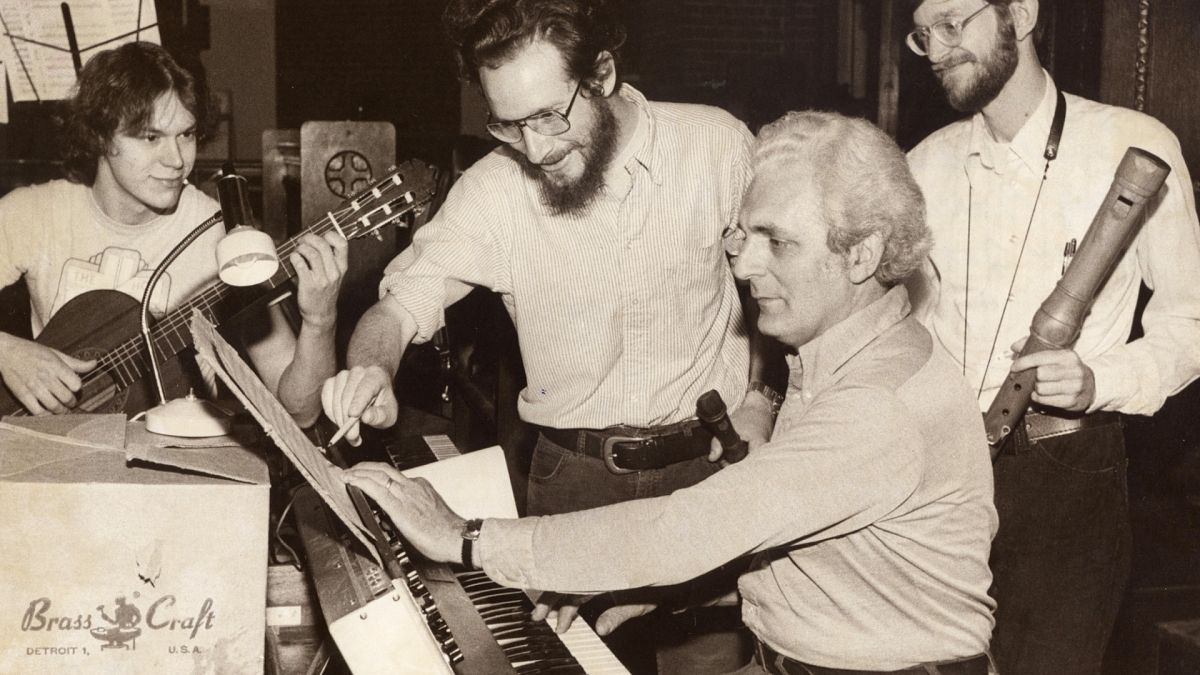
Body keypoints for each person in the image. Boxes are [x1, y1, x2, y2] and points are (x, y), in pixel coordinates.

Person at [342, 111, 998, 675]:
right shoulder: (837, 355)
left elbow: (690, 526)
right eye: (744, 235)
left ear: (863, 254)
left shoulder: (879, 402)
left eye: (779, 241)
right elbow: (833, 559)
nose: (743, 264)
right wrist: (666, 596)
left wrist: (463, 536)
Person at [320, 1, 775, 671]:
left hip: (709, 469)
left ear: (602, 74)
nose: (535, 149)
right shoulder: (493, 192)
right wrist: (371, 371)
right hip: (573, 482)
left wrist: (761, 396)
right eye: (507, 124)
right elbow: (399, 306)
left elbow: (779, 285)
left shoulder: (716, 145)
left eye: (547, 117)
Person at [904, 1, 1200, 672]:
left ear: (1024, 13)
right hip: (941, 474)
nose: (939, 48)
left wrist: (1102, 380)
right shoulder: (923, 165)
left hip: (1067, 472)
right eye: (924, 35)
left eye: (954, 22)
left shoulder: (1135, 142)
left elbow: (1191, 321)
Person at [0, 41, 345, 427]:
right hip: (61, 452)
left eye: (186, 134)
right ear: (100, 136)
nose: (177, 160)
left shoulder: (223, 235)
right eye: (151, 137)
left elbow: (300, 411)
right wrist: (6, 351)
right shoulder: (33, 214)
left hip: (182, 460)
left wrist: (320, 321)